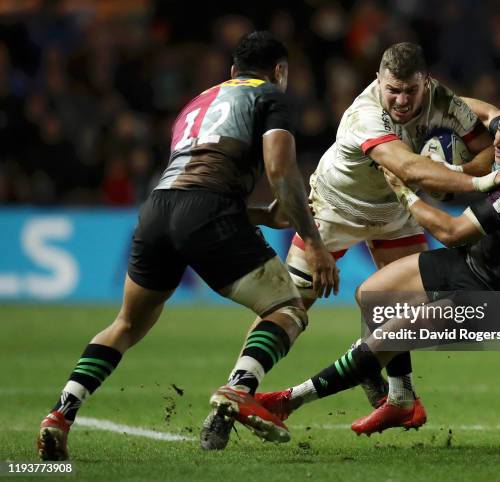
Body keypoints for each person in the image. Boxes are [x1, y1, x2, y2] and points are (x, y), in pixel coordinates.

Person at [199, 41, 500, 448]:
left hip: (394, 210)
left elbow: (483, 151)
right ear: (378, 82)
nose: (401, 100)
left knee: (401, 304)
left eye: (410, 90)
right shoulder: (366, 115)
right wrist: (475, 180)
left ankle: (400, 396)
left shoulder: (443, 101)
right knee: (288, 308)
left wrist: (460, 160)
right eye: (393, 90)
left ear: (426, 82)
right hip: (335, 208)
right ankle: (235, 394)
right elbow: (407, 166)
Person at [37, 31, 339, 461]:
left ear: (232, 71)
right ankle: (239, 388)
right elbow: (280, 171)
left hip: (157, 209)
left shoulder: (196, 103)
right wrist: (313, 242)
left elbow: (191, 180)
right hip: (207, 211)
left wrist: (256, 215)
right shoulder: (270, 96)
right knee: (287, 309)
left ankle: (60, 413)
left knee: (126, 324)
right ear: (280, 72)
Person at [256, 98, 500, 436]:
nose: (498, 142)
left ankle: (289, 401)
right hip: (471, 265)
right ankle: (401, 400)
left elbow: (451, 232)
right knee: (373, 296)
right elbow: (487, 113)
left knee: (388, 336)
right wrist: (432, 98)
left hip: (494, 298)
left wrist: (403, 189)